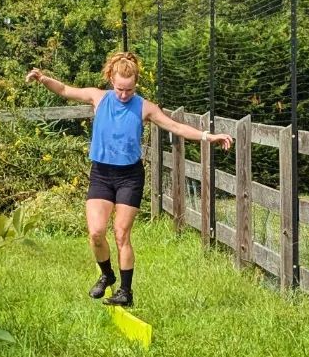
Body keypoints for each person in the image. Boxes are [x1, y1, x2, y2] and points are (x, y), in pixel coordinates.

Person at [26, 52, 232, 307]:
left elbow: (175, 127)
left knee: (121, 233)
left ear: (136, 84)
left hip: (129, 177)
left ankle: (125, 291)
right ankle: (106, 274)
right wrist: (43, 78)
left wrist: (207, 136)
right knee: (96, 233)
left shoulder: (144, 106)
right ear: (112, 79)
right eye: (121, 89)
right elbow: (66, 89)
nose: (124, 95)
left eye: (130, 90)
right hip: (101, 174)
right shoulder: (98, 97)